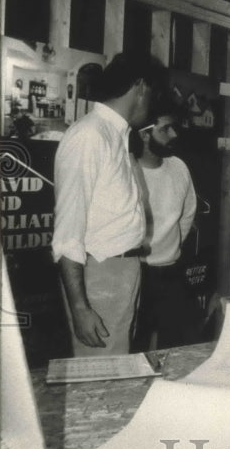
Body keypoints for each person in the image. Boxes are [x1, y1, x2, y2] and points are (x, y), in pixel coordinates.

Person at [52, 53, 161, 356]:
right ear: (140, 87)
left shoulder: (115, 135)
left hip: (121, 272)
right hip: (100, 276)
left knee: (118, 370)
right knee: (101, 379)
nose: (151, 104)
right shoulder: (90, 135)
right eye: (152, 93)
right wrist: (80, 307)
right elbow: (67, 233)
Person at [130, 101, 204, 351]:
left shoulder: (179, 166)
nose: (174, 134)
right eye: (166, 129)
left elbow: (187, 213)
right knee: (135, 346)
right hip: (134, 274)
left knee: (177, 348)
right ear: (144, 133)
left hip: (172, 273)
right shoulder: (126, 171)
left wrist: (169, 248)